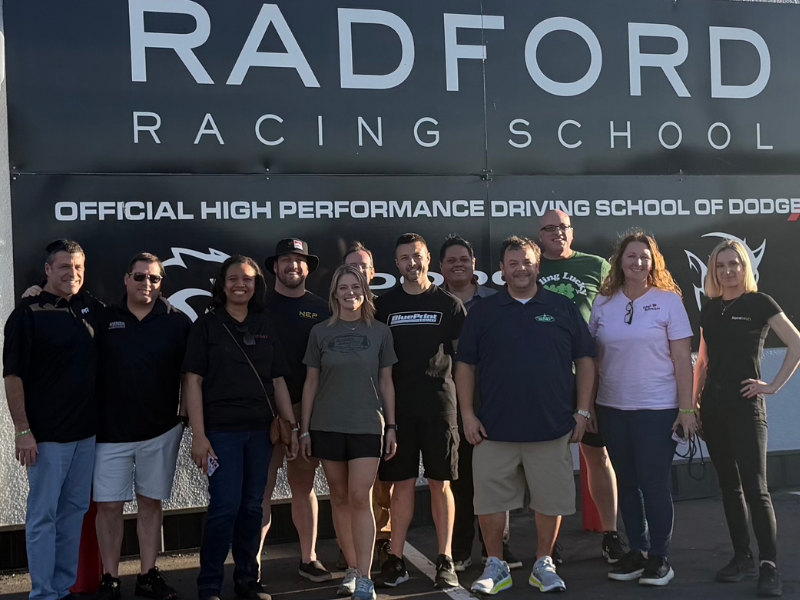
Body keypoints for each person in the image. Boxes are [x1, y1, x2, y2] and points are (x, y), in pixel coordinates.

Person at [455, 236, 596, 595]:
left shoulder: (562, 307)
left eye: (528, 262)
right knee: (489, 502)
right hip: (493, 428)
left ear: (538, 266)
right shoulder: (484, 312)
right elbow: (466, 366)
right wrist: (468, 414)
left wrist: (582, 411)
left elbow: (585, 359)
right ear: (501, 270)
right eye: (513, 263)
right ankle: (495, 564)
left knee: (551, 499)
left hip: (551, 427)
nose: (521, 269)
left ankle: (543, 564)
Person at [183, 255, 299, 600]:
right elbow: (192, 381)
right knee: (224, 506)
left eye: (247, 279)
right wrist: (199, 436)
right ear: (222, 284)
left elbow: (277, 379)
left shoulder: (265, 323)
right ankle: (209, 583)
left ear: (255, 285)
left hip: (261, 434)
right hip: (220, 434)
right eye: (233, 278)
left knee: (252, 505)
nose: (240, 284)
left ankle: (248, 579)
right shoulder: (206, 325)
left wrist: (290, 427)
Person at [693, 240, 800, 597]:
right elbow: (703, 362)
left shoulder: (760, 303)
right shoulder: (709, 309)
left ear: (745, 268)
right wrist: (691, 406)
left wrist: (772, 386)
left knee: (756, 489)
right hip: (713, 406)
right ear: (714, 271)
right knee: (729, 487)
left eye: (734, 264)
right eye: (721, 265)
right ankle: (742, 557)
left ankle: (769, 564)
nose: (728, 271)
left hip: (745, 406)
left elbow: (796, 343)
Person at [588, 230, 695, 586]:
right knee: (628, 483)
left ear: (654, 262)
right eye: (631, 255)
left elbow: (683, 359)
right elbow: (593, 360)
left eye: (644, 257)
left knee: (653, 483)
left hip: (658, 408)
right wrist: (587, 406)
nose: (637, 262)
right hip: (612, 407)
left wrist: (687, 409)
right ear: (619, 260)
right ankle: (637, 550)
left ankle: (660, 558)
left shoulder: (668, 301)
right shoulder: (604, 303)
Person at [3, 239, 101, 600]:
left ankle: (61, 588)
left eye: (78, 267)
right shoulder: (27, 313)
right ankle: (43, 593)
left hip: (85, 434)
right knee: (43, 516)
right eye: (64, 267)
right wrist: (22, 430)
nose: (72, 274)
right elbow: (13, 376)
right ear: (48, 269)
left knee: (73, 513)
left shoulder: (89, 307)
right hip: (45, 437)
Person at [91, 254, 191, 600]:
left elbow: (191, 376)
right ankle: (110, 578)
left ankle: (148, 575)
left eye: (154, 279)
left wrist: (184, 416)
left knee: (150, 504)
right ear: (125, 279)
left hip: (160, 431)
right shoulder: (104, 319)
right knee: (108, 508)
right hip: (109, 434)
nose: (146, 284)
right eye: (139, 277)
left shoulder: (177, 322)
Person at [299, 265, 398, 600]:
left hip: (368, 425)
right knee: (339, 498)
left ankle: (366, 577)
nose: (350, 293)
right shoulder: (320, 333)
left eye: (356, 287)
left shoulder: (381, 332)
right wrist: (305, 430)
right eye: (344, 287)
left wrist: (392, 426)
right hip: (327, 425)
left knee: (360, 497)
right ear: (334, 293)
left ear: (365, 291)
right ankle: (352, 571)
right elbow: (311, 383)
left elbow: (387, 382)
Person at [374, 233, 464, 589]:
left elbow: (465, 363)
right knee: (402, 485)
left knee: (441, 484)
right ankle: (395, 558)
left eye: (417, 256)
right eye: (404, 258)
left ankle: (445, 558)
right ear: (396, 264)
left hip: (441, 407)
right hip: (399, 411)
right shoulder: (383, 306)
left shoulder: (451, 305)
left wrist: (466, 409)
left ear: (429, 259)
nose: (412, 263)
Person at [536, 209, 625, 565]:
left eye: (563, 227)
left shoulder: (597, 266)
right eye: (549, 228)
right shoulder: (530, 266)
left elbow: (616, 312)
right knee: (546, 461)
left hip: (589, 377)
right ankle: (549, 540)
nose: (557, 233)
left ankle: (610, 534)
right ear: (539, 235)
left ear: (572, 232)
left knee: (597, 456)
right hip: (545, 379)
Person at [438, 235, 521, 572]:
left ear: (474, 265)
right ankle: (460, 547)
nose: (458, 264)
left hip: (493, 400)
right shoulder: (434, 302)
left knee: (498, 476)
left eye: (464, 259)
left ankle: (498, 547)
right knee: (460, 477)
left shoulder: (496, 301)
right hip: (448, 402)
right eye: (451, 260)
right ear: (440, 266)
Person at [259, 239, 332, 583]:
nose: (292, 266)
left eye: (299, 260)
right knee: (261, 488)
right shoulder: (257, 305)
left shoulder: (321, 309)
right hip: (262, 408)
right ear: (275, 266)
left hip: (307, 408)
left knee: (304, 485)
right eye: (286, 260)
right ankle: (252, 565)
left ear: (307, 268)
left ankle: (309, 558)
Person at [344, 242, 392, 569]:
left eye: (364, 266)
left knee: (384, 487)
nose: (359, 272)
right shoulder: (333, 313)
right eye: (352, 267)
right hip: (345, 417)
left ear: (373, 272)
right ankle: (351, 551)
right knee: (352, 492)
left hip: (382, 415)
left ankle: (384, 545)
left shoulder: (386, 309)